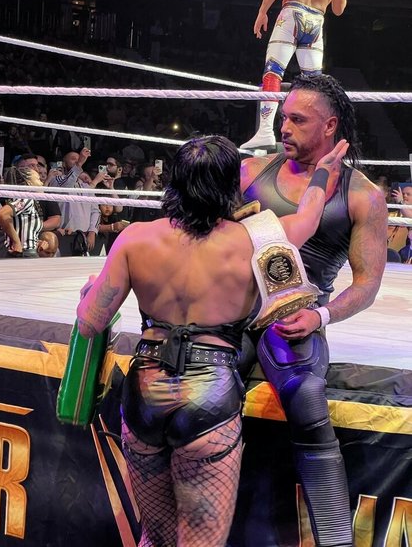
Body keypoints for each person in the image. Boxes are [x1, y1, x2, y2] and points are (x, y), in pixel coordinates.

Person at [76, 134, 348, 547]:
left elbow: (89, 323)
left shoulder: (135, 238)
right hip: (209, 393)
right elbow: (309, 217)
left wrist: (89, 292)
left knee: (156, 539)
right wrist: (323, 171)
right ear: (231, 186)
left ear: (175, 181)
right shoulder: (256, 239)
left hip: (146, 390)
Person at [240, 74, 388, 547]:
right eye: (283, 117)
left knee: (306, 398)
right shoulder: (250, 172)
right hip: (233, 308)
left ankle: (337, 541)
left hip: (296, 316)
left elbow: (366, 283)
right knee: (200, 386)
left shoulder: (363, 195)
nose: (284, 127)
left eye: (298, 120)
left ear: (329, 126)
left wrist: (321, 317)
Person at [241, 0, 347, 151]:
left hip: (292, 13)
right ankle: (314, 137)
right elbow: (338, 9)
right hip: (317, 22)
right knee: (314, 84)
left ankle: (265, 131)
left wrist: (263, 11)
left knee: (273, 71)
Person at [0, 167, 44, 257]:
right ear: (29, 182)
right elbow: (2, 214)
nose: (41, 183)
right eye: (38, 179)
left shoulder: (25, 200)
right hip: (24, 254)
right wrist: (16, 242)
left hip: (25, 252)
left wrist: (36, 242)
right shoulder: (26, 199)